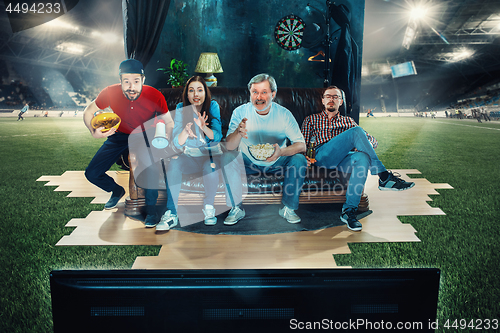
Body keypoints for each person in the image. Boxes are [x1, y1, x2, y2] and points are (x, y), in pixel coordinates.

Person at [301, 86, 415, 232]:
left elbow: (373, 141)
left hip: (344, 159)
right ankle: (384, 176)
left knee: (362, 156)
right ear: (322, 100)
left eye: (336, 97)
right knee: (356, 133)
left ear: (341, 102)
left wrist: (355, 146)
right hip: (322, 156)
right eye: (328, 96)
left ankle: (349, 212)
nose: (331, 99)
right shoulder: (311, 120)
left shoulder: (348, 121)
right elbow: (302, 144)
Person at [83, 59, 173, 226]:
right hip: (120, 135)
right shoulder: (109, 92)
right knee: (92, 173)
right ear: (120, 81)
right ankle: (116, 190)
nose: (131, 87)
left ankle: (152, 212)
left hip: (146, 134)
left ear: (143, 80)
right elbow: (89, 111)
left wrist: (164, 138)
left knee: (150, 167)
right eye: (126, 81)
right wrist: (93, 131)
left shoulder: (155, 95)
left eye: (136, 81)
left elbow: (169, 121)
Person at [221, 73, 307, 225]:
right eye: (255, 92)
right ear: (250, 94)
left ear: (273, 94)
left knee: (299, 159)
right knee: (227, 157)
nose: (258, 97)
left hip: (277, 161)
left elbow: (301, 145)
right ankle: (236, 208)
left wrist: (281, 152)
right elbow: (229, 146)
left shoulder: (284, 114)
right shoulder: (240, 112)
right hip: (247, 162)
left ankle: (288, 208)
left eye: (264, 92)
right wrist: (238, 133)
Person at [156, 76, 223, 231]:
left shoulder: (213, 106)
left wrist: (203, 128)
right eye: (191, 90)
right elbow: (176, 142)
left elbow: (217, 137)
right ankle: (172, 213)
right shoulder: (181, 108)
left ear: (205, 92)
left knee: (210, 168)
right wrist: (185, 133)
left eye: (200, 90)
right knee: (174, 164)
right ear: (187, 94)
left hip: (210, 157)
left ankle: (208, 208)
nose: (195, 94)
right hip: (190, 158)